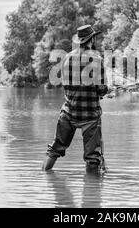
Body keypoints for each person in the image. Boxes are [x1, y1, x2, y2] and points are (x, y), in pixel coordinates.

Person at [42, 24, 110, 173]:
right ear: (91, 40)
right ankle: (92, 192)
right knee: (92, 158)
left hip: (68, 113)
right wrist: (105, 91)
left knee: (55, 149)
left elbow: (65, 84)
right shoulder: (97, 59)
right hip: (90, 116)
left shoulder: (66, 58)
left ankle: (44, 175)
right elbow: (101, 89)